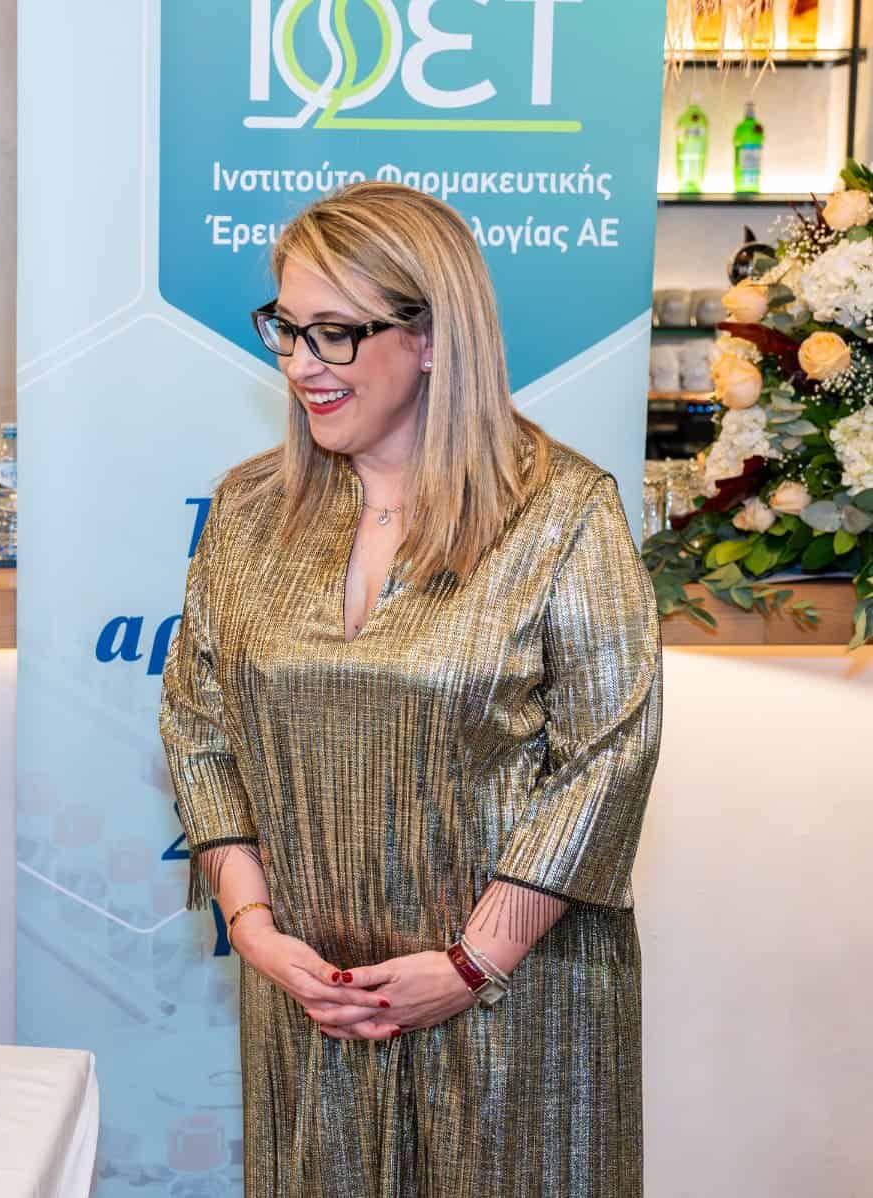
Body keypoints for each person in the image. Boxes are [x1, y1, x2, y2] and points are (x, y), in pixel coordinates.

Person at [159, 182, 662, 1197]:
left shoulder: (562, 512)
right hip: (315, 1004)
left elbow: (608, 758)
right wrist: (255, 932)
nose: (301, 364)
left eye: (336, 334)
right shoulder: (251, 510)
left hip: (514, 1008)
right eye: (287, 330)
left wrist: (471, 964)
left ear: (431, 337)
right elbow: (198, 725)